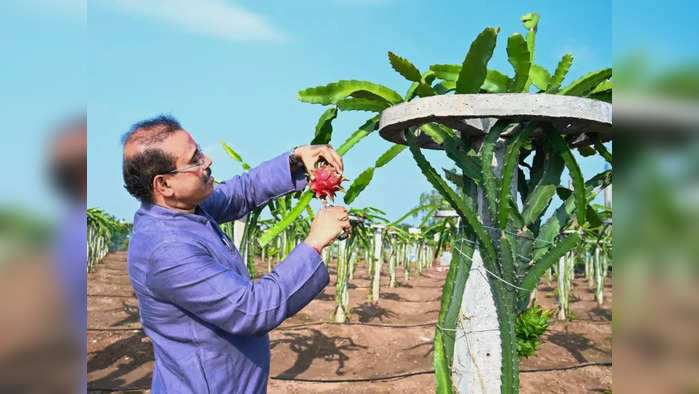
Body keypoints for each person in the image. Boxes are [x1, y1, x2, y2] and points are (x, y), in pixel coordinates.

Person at [122, 115, 350, 393]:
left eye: (201, 152)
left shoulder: (185, 210)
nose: (207, 162)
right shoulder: (168, 251)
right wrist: (314, 243)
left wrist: (297, 158)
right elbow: (252, 309)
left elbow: (241, 192)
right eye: (195, 160)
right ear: (164, 185)